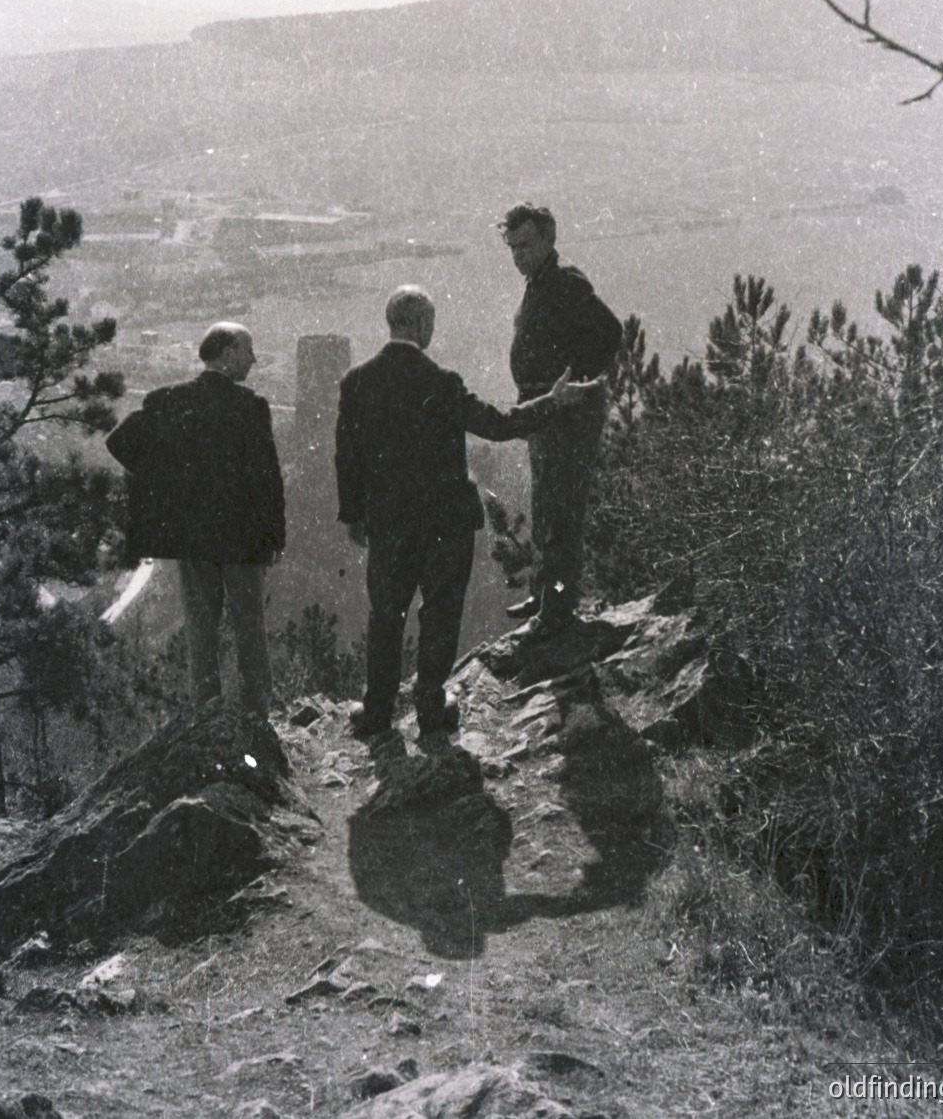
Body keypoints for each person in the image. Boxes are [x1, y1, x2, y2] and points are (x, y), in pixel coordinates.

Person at [335, 285, 598, 747]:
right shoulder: (442, 381)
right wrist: (552, 401)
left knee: (386, 615)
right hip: (445, 524)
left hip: (389, 524)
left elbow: (347, 457)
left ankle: (376, 711)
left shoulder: (356, 382)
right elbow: (498, 423)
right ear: (420, 325)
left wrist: (355, 515)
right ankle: (432, 708)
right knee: (440, 614)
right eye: (431, 324)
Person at [106, 322, 285, 722]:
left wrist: (165, 483)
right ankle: (256, 718)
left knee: (201, 633)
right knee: (249, 631)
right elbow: (269, 481)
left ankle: (206, 720)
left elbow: (119, 442)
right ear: (225, 352)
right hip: (244, 540)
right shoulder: (251, 407)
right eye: (248, 350)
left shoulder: (171, 401)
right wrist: (275, 536)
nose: (254, 359)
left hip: (194, 539)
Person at [499, 203, 622, 632]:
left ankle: (556, 609)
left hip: (567, 415)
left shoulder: (565, 280)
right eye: (512, 247)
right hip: (544, 413)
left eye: (525, 245)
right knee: (546, 508)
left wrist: (578, 381)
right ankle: (543, 595)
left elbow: (610, 332)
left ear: (549, 240)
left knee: (563, 511)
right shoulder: (539, 282)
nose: (518, 255)